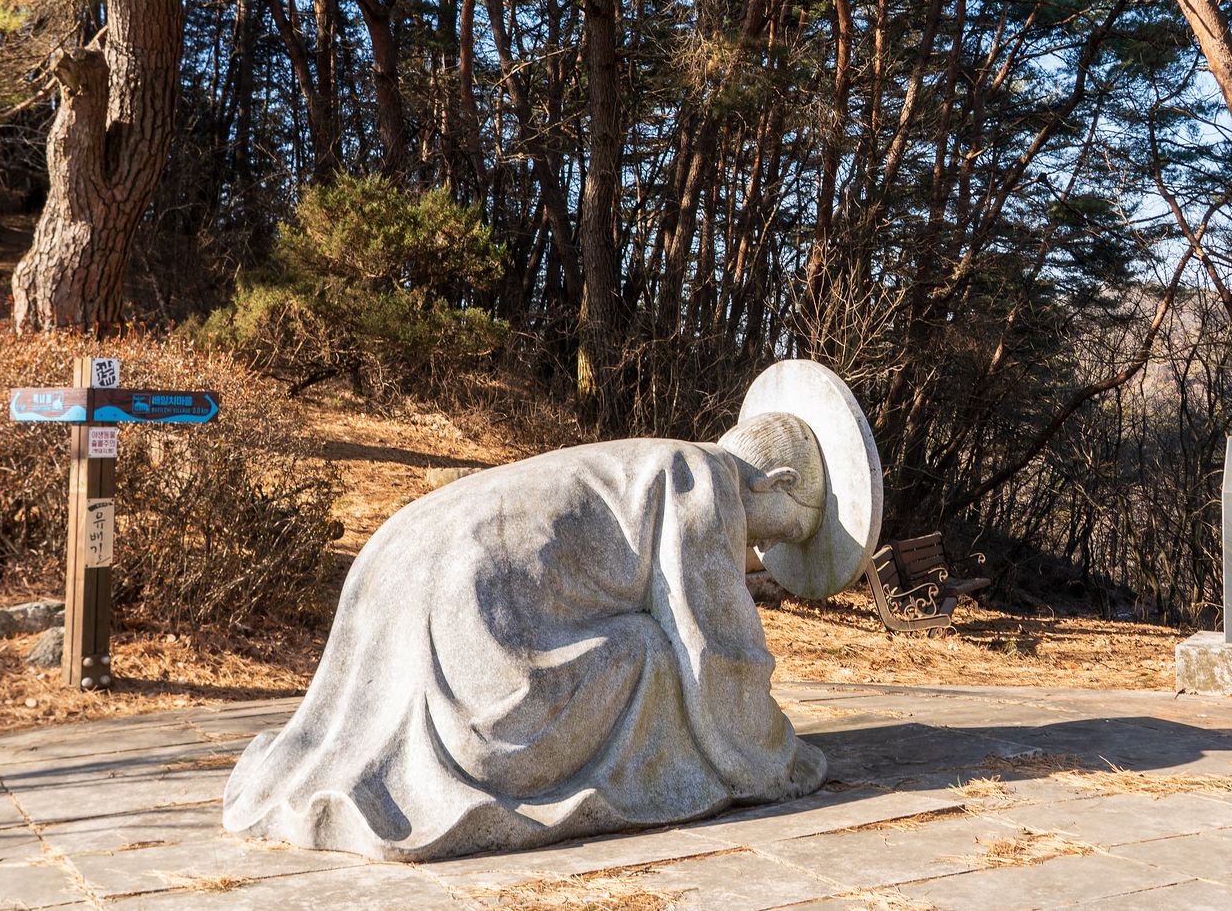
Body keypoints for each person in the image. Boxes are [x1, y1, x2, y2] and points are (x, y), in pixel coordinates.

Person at [222, 359, 882, 861]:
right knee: (651, 648)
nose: (760, 547)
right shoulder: (701, 478)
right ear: (779, 483)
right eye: (780, 531)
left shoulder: (634, 458)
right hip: (491, 667)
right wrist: (775, 758)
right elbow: (713, 647)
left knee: (641, 640)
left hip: (410, 566)